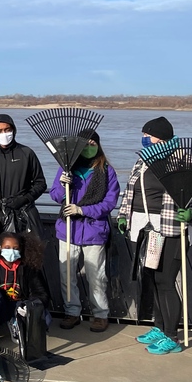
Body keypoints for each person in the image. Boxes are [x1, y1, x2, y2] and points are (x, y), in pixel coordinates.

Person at [116, 116, 192, 355]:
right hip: (146, 228)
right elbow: (130, 191)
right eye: (143, 135)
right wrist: (123, 215)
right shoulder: (144, 160)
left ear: (161, 137)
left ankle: (172, 337)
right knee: (153, 279)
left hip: (172, 228)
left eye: (148, 135)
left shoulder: (185, 161)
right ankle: (159, 327)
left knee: (166, 281)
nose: (144, 139)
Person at [50, 131, 120, 332]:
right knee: (67, 274)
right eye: (85, 144)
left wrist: (82, 210)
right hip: (68, 229)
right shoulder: (66, 168)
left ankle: (100, 314)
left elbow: (109, 203)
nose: (89, 147)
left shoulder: (107, 171)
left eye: (93, 143)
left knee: (96, 276)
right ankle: (72, 311)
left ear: (98, 145)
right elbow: (55, 195)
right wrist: (62, 184)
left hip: (94, 230)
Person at [0, 230, 50, 350]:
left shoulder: (28, 266)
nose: (11, 251)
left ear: (20, 249)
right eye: (7, 247)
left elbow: (41, 293)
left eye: (15, 248)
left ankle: (17, 323)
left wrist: (30, 305)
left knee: (46, 320)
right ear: (0, 247)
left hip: (19, 306)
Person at [0, 114, 47, 235]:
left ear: (14, 130)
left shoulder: (27, 153)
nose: (4, 134)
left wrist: (25, 199)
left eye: (7, 130)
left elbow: (40, 183)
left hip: (24, 212)